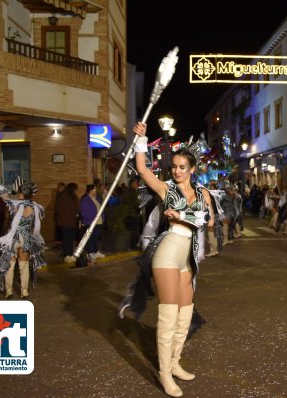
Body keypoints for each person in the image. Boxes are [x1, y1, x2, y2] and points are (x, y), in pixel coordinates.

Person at [119, 122, 214, 397]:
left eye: (182, 166)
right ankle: (163, 374)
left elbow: (207, 222)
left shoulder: (203, 194)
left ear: (192, 169)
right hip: (168, 252)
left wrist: (184, 215)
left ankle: (174, 363)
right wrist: (140, 140)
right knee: (169, 315)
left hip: (188, 256)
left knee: (185, 315)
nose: (176, 170)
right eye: (174, 166)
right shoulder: (165, 189)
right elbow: (143, 170)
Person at [0, 170, 46, 299]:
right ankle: (24, 292)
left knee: (10, 266)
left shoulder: (14, 205)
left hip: (12, 239)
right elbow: (35, 225)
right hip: (26, 239)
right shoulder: (35, 207)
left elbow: (2, 194)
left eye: (19, 192)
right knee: (23, 267)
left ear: (21, 194)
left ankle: (9, 291)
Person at [79, 184, 104, 260]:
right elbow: (83, 211)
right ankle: (90, 252)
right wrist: (90, 219)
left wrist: (103, 217)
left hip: (98, 221)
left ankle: (96, 252)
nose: (96, 191)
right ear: (91, 190)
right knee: (90, 238)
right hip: (90, 222)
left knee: (95, 238)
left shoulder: (96, 198)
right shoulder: (85, 199)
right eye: (95, 190)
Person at [56, 183, 80, 263]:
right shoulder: (64, 197)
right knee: (66, 240)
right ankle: (67, 255)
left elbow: (77, 208)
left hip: (72, 222)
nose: (77, 191)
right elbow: (60, 210)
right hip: (66, 223)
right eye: (76, 189)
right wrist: (65, 220)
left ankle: (70, 254)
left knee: (71, 239)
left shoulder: (73, 197)